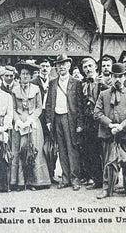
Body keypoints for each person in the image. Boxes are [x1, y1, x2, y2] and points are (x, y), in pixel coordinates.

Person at [94, 63, 126, 200]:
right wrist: (110, 125)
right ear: (111, 77)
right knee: (108, 162)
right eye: (115, 76)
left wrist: (121, 126)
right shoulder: (103, 94)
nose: (118, 80)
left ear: (125, 76)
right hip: (108, 134)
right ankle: (106, 188)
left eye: (120, 76)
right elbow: (97, 113)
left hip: (125, 134)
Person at [45, 54, 84, 191]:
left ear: (69, 65)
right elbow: (49, 103)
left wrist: (80, 123)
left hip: (70, 119)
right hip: (57, 118)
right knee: (61, 149)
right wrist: (49, 120)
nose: (61, 66)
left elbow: (80, 105)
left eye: (64, 64)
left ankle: (75, 179)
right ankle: (65, 178)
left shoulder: (76, 82)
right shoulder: (52, 83)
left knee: (72, 149)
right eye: (59, 64)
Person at [10, 61, 50, 190]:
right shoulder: (14, 90)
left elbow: (39, 107)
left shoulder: (36, 89)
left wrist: (31, 119)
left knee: (34, 150)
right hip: (19, 124)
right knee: (20, 151)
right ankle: (20, 182)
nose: (25, 76)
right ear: (19, 76)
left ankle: (35, 181)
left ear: (31, 76)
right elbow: (13, 108)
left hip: (33, 123)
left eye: (27, 74)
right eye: (23, 74)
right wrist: (18, 121)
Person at [80, 57, 108, 190]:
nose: (88, 69)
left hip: (101, 120)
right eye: (85, 67)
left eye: (90, 66)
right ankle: (97, 179)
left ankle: (108, 180)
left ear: (96, 66)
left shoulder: (104, 81)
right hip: (88, 121)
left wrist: (104, 85)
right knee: (92, 151)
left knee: (104, 152)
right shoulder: (82, 83)